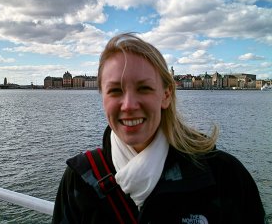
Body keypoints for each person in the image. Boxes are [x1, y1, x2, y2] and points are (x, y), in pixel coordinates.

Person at [52, 33, 265, 223]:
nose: (128, 105)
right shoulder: (79, 180)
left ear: (166, 94)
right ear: (102, 97)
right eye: (115, 90)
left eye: (144, 88)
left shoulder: (223, 175)